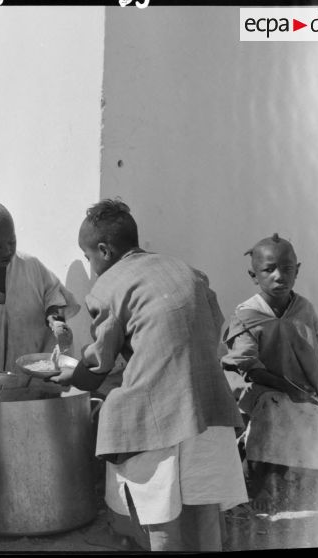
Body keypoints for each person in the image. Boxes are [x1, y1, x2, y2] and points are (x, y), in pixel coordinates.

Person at [50, 199, 247, 552]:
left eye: (88, 256)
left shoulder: (107, 287)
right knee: (204, 509)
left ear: (105, 251)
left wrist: (72, 376)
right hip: (210, 407)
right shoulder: (189, 271)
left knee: (162, 516)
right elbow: (209, 328)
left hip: (157, 418)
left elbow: (99, 364)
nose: (90, 266)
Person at [221, 234, 318, 514]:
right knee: (273, 407)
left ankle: (296, 474)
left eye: (287, 269)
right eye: (269, 270)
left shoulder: (305, 308)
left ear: (298, 270)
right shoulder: (247, 314)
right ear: (254, 275)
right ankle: (260, 481)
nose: (279, 277)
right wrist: (286, 386)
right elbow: (246, 364)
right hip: (260, 385)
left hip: (303, 384)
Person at [0, 201, 80, 380]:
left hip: (40, 370)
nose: (7, 251)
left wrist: (54, 319)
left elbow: (52, 293)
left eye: (12, 241)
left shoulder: (30, 266)